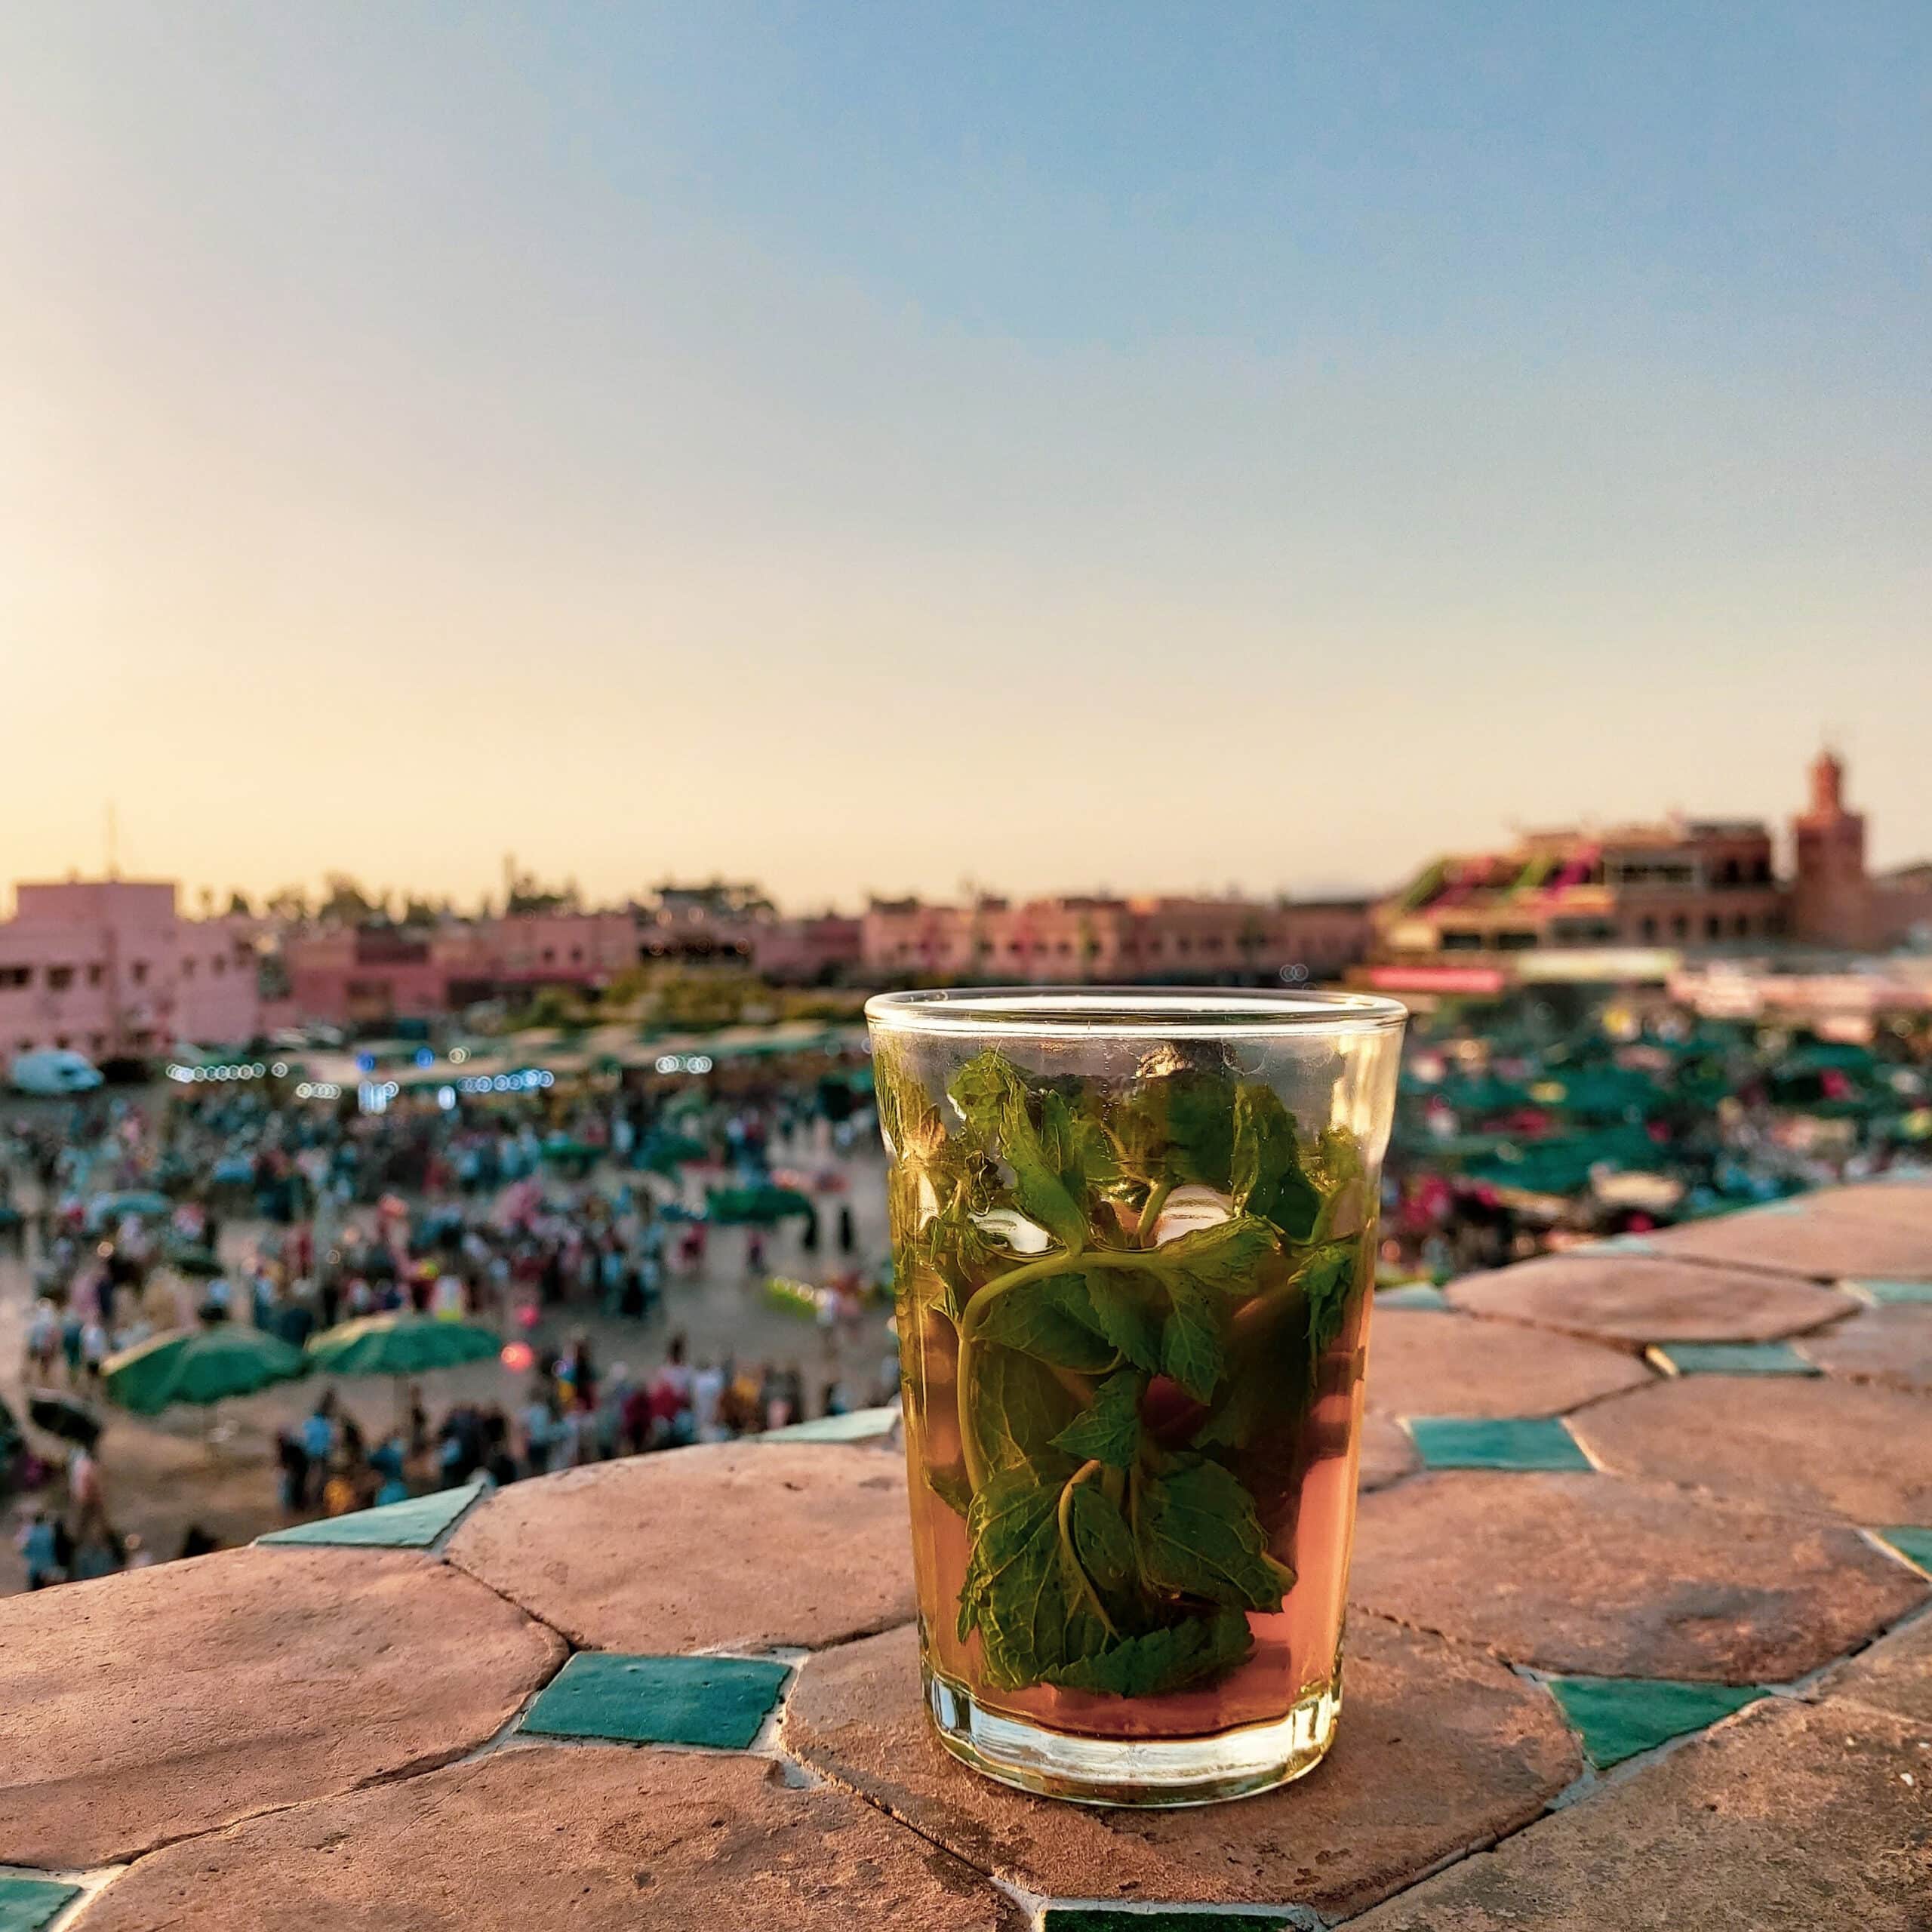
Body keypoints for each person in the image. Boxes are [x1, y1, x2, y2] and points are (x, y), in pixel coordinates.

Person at [17, 1509, 60, 1589]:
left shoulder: (30, 1533)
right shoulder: (49, 1532)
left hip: (34, 1566)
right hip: (48, 1565)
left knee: (35, 1589)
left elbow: (24, 1549)